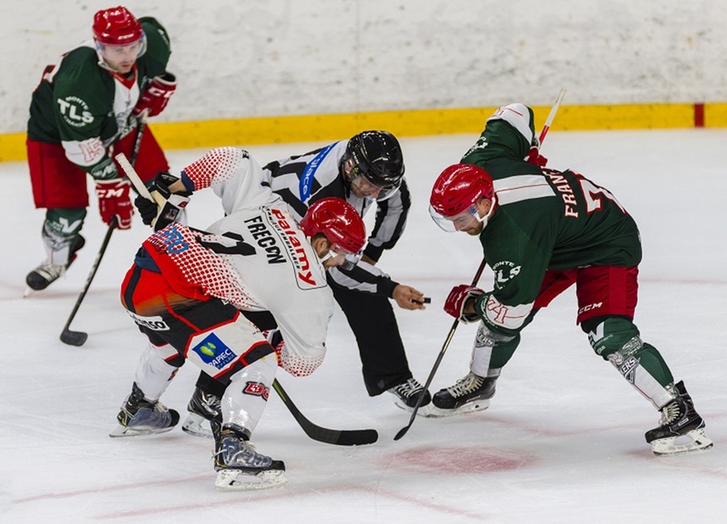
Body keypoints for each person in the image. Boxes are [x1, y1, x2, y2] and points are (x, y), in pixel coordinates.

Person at [426, 102, 713, 456]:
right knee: (503, 308)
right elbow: (514, 113)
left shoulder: (513, 237)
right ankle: (481, 382)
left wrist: (475, 303)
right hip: (556, 237)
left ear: (485, 202)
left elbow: (511, 310)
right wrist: (527, 148)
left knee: (608, 333)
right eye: (449, 219)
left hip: (606, 241)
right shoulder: (479, 161)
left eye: (462, 218)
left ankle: (679, 409)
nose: (457, 228)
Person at [113, 146, 367, 490]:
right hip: (177, 297)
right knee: (257, 361)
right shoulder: (312, 289)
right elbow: (304, 362)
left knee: (173, 342)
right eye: (343, 255)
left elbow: (233, 160)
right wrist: (274, 339)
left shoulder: (271, 206)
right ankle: (233, 446)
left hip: (140, 279)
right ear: (323, 244)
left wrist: (179, 187)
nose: (342, 263)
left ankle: (139, 408)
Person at [176, 130, 432, 437]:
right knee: (263, 307)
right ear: (349, 167)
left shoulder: (372, 172)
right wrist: (388, 286)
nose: (371, 192)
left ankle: (391, 377)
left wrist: (371, 256)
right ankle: (208, 397)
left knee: (365, 291)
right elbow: (335, 271)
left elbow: (397, 201)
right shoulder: (317, 192)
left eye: (379, 188)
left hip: (319, 229)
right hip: (271, 219)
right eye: (366, 184)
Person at [24, 5, 177, 292]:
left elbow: (151, 24)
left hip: (118, 123)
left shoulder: (152, 43)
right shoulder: (78, 82)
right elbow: (81, 145)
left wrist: (153, 85)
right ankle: (57, 259)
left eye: (133, 46)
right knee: (66, 215)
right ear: (98, 46)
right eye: (117, 50)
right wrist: (111, 183)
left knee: (164, 192)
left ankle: (180, 260)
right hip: (57, 137)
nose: (128, 56)